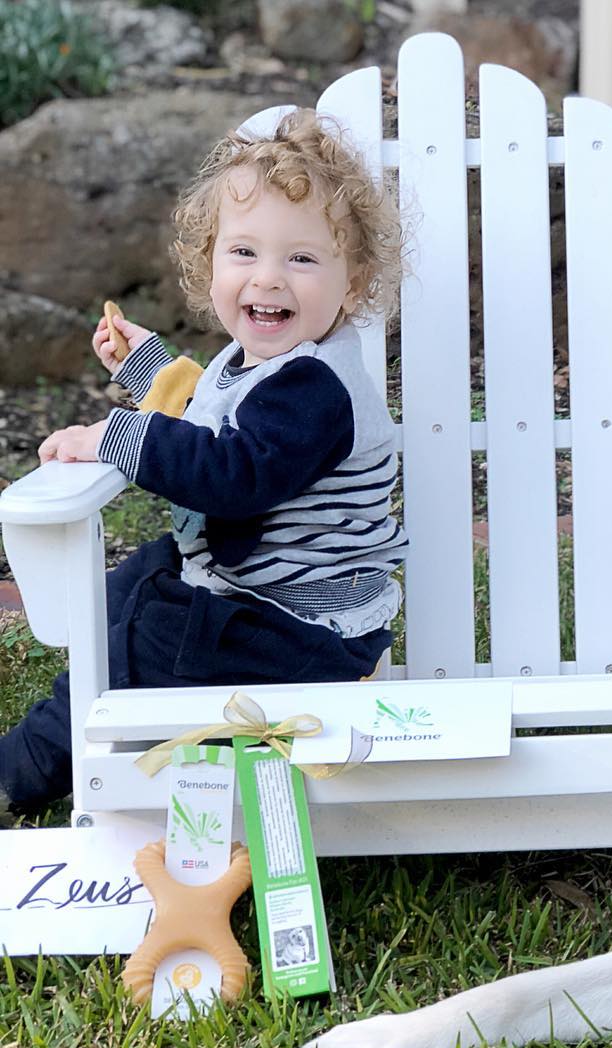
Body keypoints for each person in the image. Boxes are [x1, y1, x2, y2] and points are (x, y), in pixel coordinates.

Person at [0, 109, 407, 822]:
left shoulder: (316, 389)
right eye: (244, 252)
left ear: (354, 281)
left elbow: (237, 474)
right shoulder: (263, 360)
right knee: (132, 585)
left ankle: (26, 767)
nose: (269, 279)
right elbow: (209, 414)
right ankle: (78, 705)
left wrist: (117, 438)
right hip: (252, 596)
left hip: (302, 633)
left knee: (142, 636)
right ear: (209, 261)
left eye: (302, 259)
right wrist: (145, 365)